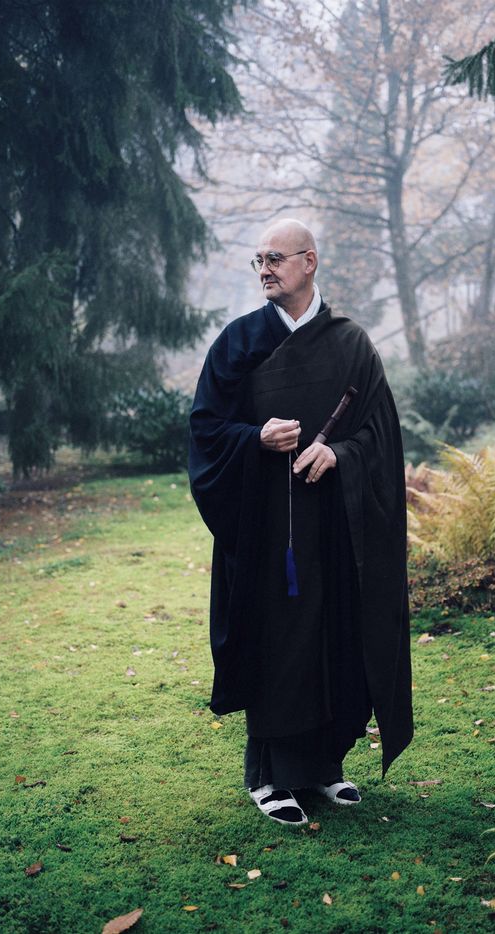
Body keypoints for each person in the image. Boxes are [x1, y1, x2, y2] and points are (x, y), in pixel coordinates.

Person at [189, 218, 413, 826]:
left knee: (334, 639)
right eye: (259, 260)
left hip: (337, 526)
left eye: (276, 258)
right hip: (267, 529)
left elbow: (381, 434)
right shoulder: (238, 342)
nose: (265, 269)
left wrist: (339, 453)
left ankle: (324, 767)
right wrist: (254, 438)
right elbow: (205, 430)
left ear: (309, 261)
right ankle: (268, 777)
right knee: (279, 643)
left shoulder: (351, 344)